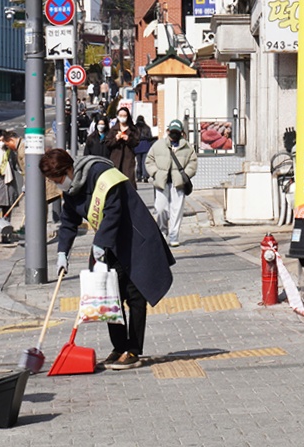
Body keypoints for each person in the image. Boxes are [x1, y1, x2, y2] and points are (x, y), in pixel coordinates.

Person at [39, 149, 175, 370]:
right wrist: (62, 252)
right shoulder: (73, 189)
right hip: (108, 243)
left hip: (133, 239)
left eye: (58, 179)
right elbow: (68, 221)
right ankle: (119, 346)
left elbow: (114, 211)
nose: (58, 185)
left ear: (69, 169)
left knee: (135, 297)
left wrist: (100, 242)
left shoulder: (101, 174)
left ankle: (134, 349)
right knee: (110, 296)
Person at [145, 119, 198, 247]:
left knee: (177, 210)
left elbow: (193, 163)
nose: (174, 134)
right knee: (160, 208)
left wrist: (185, 174)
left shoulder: (187, 147)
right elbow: (149, 160)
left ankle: (174, 235)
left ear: (181, 132)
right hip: (162, 182)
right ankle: (162, 232)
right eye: (172, 131)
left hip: (178, 183)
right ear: (168, 131)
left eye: (177, 132)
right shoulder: (158, 145)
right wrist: (155, 173)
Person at [106, 107, 140, 188]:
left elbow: (136, 142)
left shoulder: (133, 129)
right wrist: (116, 139)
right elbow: (108, 143)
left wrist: (128, 139)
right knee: (115, 181)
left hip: (128, 158)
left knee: (128, 181)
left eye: (124, 115)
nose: (122, 117)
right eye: (120, 115)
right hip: (116, 158)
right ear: (117, 116)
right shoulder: (113, 129)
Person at [134, 115, 153, 182]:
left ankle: (139, 176)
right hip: (145, 145)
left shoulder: (135, 127)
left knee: (138, 162)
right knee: (144, 162)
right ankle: (145, 176)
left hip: (137, 146)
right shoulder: (147, 127)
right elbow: (150, 137)